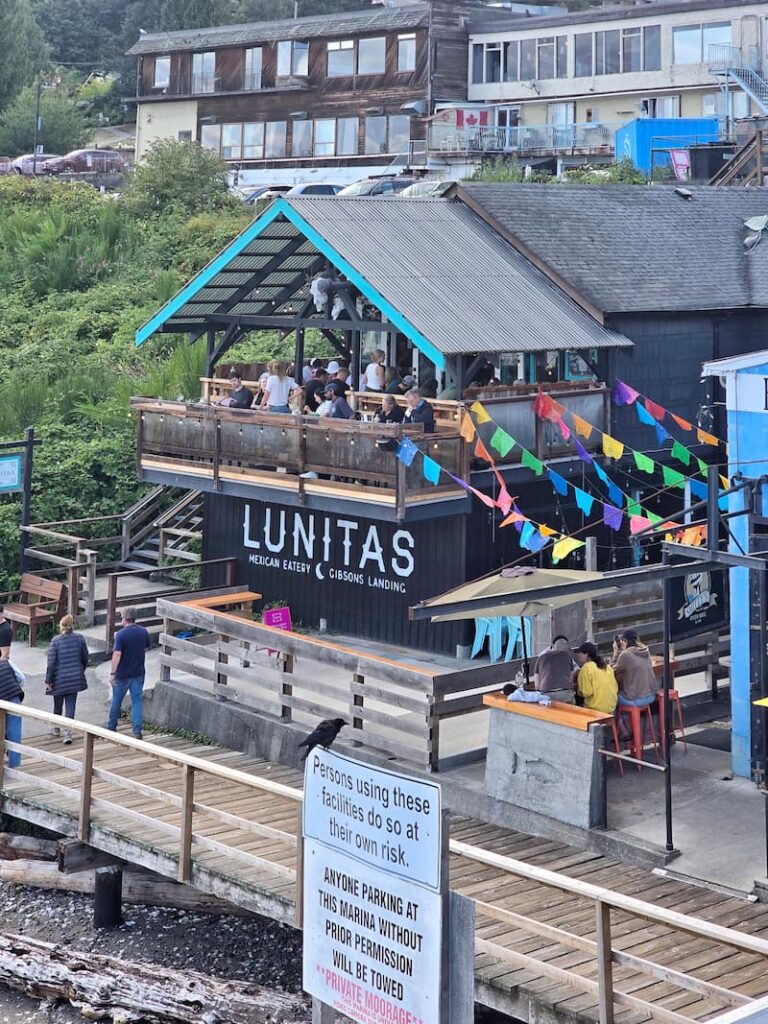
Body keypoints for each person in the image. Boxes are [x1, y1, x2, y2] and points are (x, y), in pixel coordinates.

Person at [107, 607, 150, 740]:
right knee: (137, 701)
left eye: (121, 616)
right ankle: (137, 730)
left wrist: (113, 673)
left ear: (125, 618)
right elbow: (146, 648)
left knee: (116, 701)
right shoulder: (143, 631)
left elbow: (117, 654)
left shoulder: (120, 634)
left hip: (122, 674)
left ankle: (112, 726)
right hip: (138, 672)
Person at [45, 614, 89, 745]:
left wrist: (48, 680)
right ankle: (68, 733)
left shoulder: (55, 641)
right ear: (73, 625)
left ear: (61, 626)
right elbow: (85, 657)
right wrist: (80, 670)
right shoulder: (79, 639)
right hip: (75, 678)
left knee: (57, 705)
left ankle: (56, 727)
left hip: (58, 679)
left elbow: (51, 663)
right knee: (71, 705)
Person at [611, 629, 659, 709]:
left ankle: (623, 718)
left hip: (637, 699)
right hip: (651, 696)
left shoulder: (626, 654)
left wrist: (616, 652)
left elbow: (611, 671)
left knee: (613, 697)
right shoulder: (645, 650)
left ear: (625, 641)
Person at [574, 642, 618, 714]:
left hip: (595, 709)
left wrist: (578, 690)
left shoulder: (586, 668)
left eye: (580, 653)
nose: (578, 656)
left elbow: (586, 693)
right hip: (611, 707)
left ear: (586, 654)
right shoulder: (607, 667)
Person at [532, 635, 575, 704]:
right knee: (572, 704)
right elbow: (571, 679)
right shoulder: (567, 656)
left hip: (546, 695)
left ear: (552, 645)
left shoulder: (541, 657)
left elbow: (537, 685)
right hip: (564, 693)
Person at [0, 656, 24, 769]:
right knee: (14, 729)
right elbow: (21, 678)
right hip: (13, 695)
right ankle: (14, 764)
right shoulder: (7, 663)